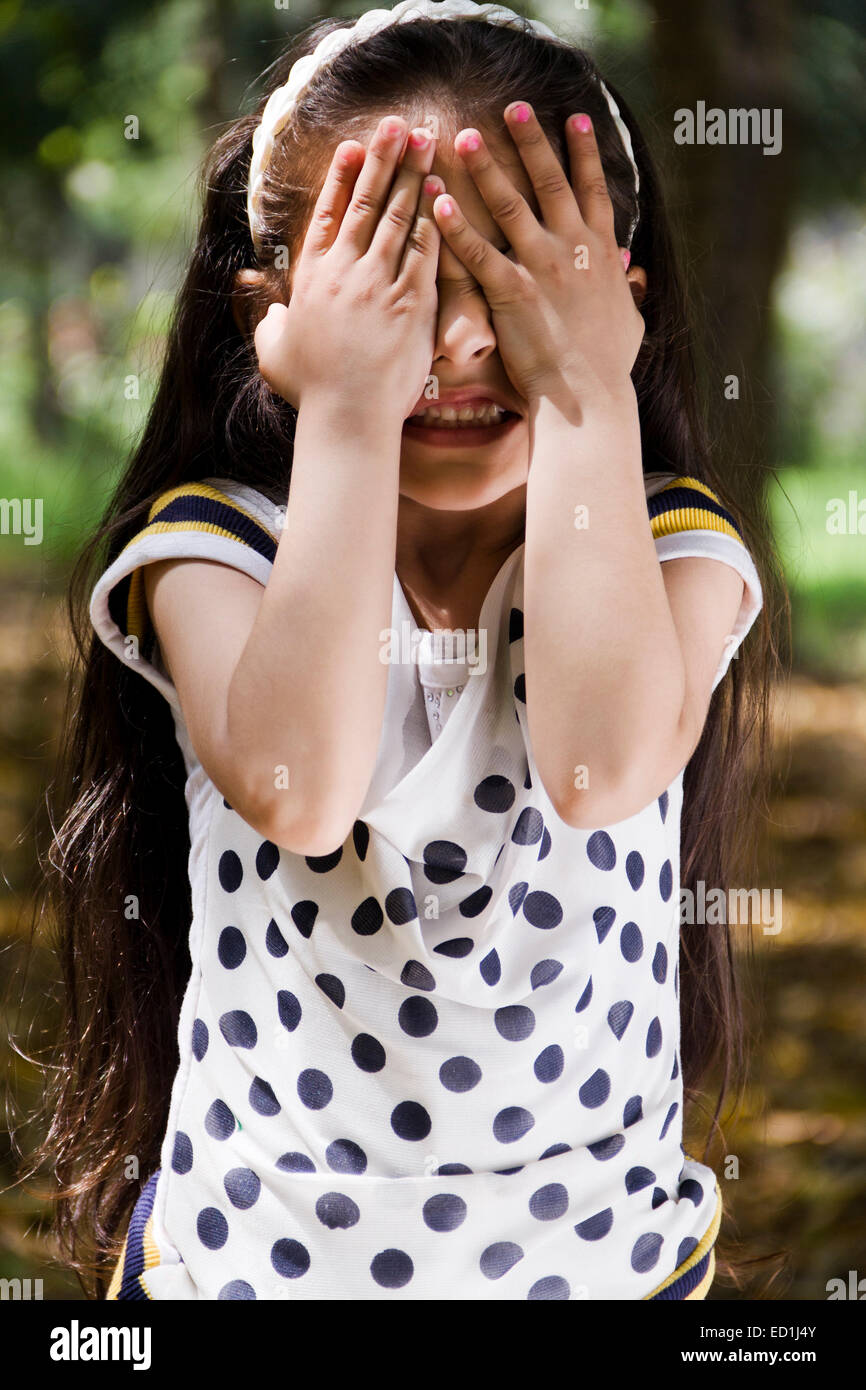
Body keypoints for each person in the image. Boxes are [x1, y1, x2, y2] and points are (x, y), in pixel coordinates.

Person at [42, 0, 780, 1300]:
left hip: (612, 1275)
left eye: (507, 277)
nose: (450, 343)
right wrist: (343, 414)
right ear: (268, 307)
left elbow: (598, 768)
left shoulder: (670, 546)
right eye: (392, 280)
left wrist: (582, 394)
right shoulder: (209, 551)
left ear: (615, 297)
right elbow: (296, 785)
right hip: (244, 1278)